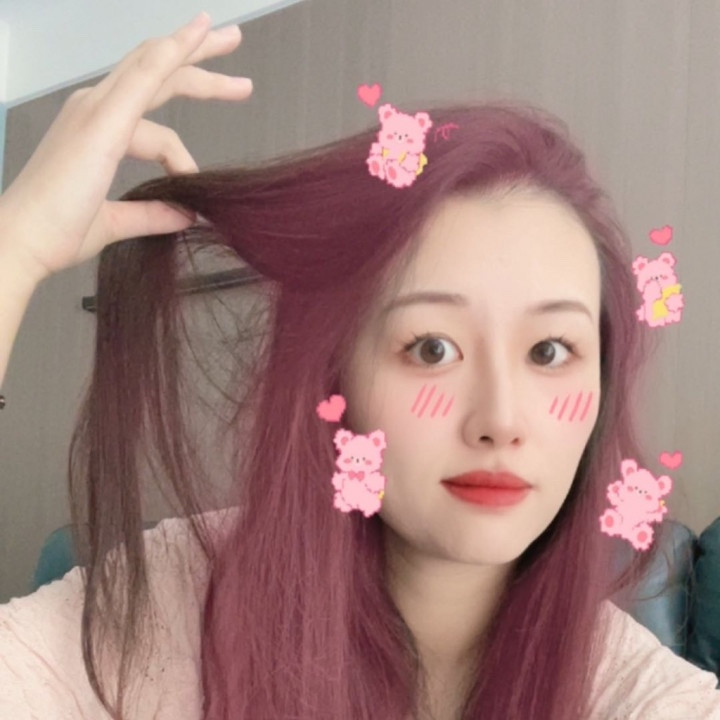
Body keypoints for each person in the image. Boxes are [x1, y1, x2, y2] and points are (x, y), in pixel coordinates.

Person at [0, 10, 718, 720]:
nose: (501, 420)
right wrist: (16, 246)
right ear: (335, 375)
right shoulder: (171, 605)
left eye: (550, 351)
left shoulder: (644, 699)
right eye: (432, 348)